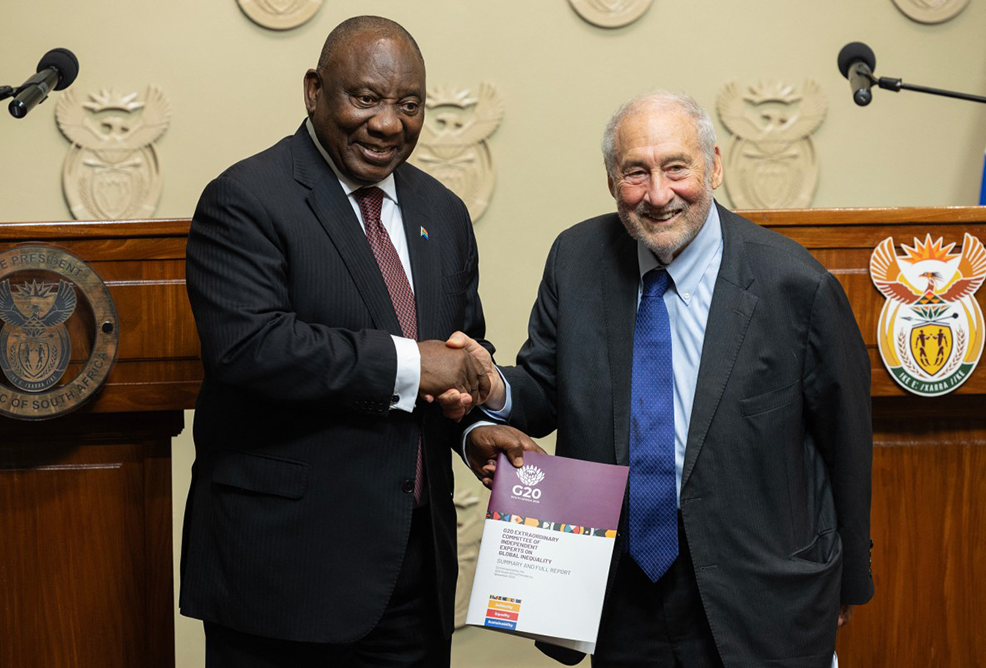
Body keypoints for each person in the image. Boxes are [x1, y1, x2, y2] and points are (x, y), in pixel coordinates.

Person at [463, 91, 874, 667]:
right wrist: (492, 389)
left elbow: (847, 443)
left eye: (676, 167)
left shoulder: (794, 285)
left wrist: (848, 580)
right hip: (621, 587)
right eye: (636, 173)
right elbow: (545, 386)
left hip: (758, 589)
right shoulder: (576, 259)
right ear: (611, 181)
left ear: (715, 166)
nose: (658, 195)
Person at [180, 16, 493, 667]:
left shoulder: (443, 213)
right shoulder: (246, 199)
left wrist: (473, 426)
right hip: (287, 576)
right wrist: (415, 364)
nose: (388, 123)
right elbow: (249, 347)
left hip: (413, 573)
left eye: (409, 105)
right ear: (314, 91)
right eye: (367, 98)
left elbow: (456, 362)